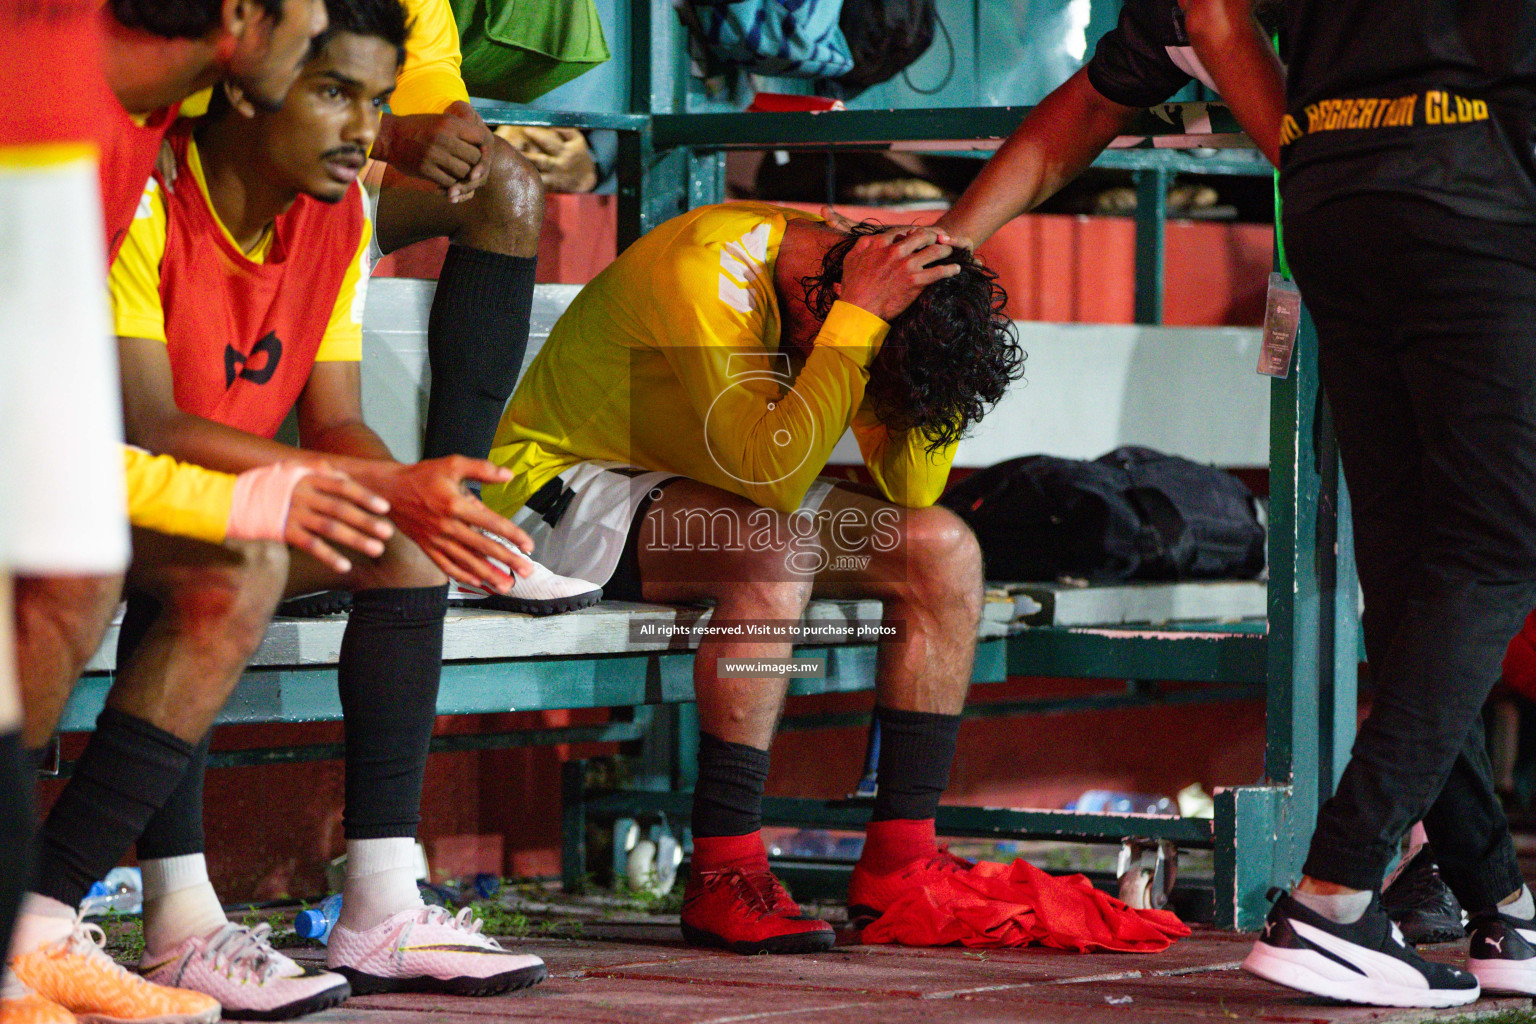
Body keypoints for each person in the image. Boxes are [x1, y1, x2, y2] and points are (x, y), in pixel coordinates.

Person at [15, 0, 550, 1017]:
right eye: (334, 91)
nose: (365, 131)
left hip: (148, 499)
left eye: (378, 103)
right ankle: (109, 915)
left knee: (398, 543)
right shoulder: (143, 187)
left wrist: (409, 494)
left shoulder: (335, 216)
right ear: (249, 79)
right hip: (91, 487)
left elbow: (336, 418)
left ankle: (382, 904)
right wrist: (365, 485)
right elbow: (151, 424)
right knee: (242, 546)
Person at [483, 201, 1022, 953]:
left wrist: (913, 371)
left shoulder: (845, 290)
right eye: (859, 337)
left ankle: (903, 863)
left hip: (715, 489)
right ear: (829, 304)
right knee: (773, 545)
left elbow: (911, 490)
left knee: (940, 549)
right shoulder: (708, 267)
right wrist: (858, 326)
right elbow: (769, 478)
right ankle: (724, 869)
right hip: (561, 490)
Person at [1181, 0, 1536, 1008]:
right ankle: (1334, 895)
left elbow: (1209, 15)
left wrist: (1309, 142)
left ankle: (1498, 904)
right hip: (1478, 179)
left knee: (1422, 566)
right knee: (1494, 555)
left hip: (1333, 185)